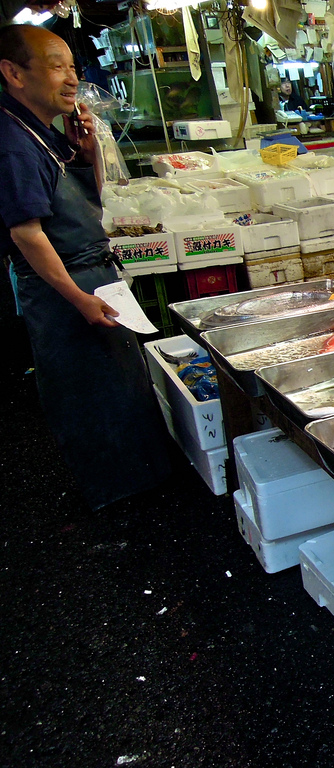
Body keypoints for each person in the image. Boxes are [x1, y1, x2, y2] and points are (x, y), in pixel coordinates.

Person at [0, 24, 170, 510]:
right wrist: (78, 298)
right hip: (63, 288)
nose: (71, 78)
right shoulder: (11, 142)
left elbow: (90, 202)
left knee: (120, 383)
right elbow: (26, 234)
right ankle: (121, 504)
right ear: (13, 73)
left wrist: (91, 150)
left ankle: (142, 484)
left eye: (73, 67)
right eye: (57, 66)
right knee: (89, 393)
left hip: (92, 272)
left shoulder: (45, 131)